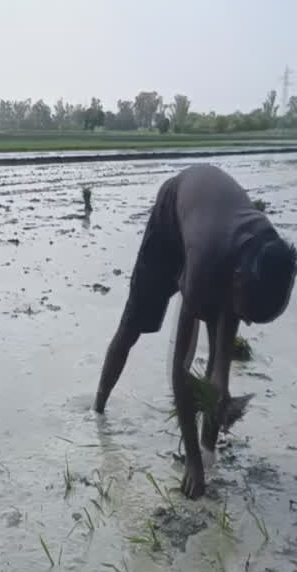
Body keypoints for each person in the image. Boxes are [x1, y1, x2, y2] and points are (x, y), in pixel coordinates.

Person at [93, 164, 296, 499]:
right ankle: (98, 409)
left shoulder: (268, 252)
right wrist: (192, 463)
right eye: (246, 313)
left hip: (222, 245)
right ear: (237, 280)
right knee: (132, 326)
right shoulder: (205, 262)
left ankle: (209, 446)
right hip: (171, 220)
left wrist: (218, 384)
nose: (243, 323)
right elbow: (180, 368)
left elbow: (229, 329)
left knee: (220, 371)